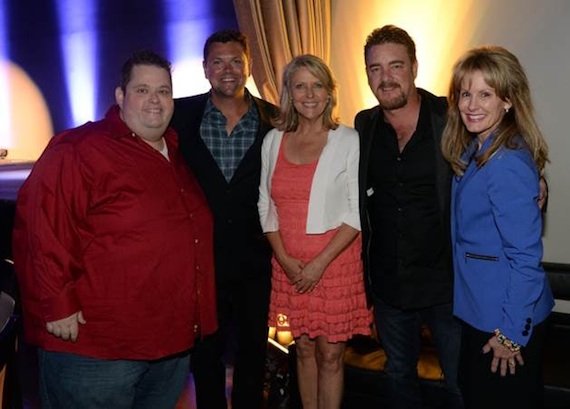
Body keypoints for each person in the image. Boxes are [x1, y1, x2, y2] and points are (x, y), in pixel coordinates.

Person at [12, 50, 217, 408]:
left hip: (169, 344)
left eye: (163, 91)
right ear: (120, 96)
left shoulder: (175, 150)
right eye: (142, 90)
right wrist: (57, 304)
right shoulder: (80, 148)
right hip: (98, 348)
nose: (154, 100)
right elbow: (41, 227)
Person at [355, 25, 463, 409]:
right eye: (375, 69)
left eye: (395, 65)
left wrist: (535, 173)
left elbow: (501, 140)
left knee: (459, 384)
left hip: (446, 285)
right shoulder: (363, 126)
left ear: (414, 67)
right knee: (398, 378)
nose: (385, 78)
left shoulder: (449, 117)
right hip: (388, 287)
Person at [441, 45, 554, 409]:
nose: (471, 104)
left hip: (502, 319)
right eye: (465, 93)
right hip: (482, 311)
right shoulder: (479, 148)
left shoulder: (504, 161)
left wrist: (510, 335)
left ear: (507, 100)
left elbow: (526, 259)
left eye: (485, 94)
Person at [169, 30, 278, 409]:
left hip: (256, 260)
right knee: (205, 352)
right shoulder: (178, 115)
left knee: (253, 349)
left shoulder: (276, 121)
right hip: (201, 261)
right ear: (204, 68)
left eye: (236, 61)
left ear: (249, 66)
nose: (227, 70)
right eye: (218, 61)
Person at [258, 54, 370, 409]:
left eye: (317, 85)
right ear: (288, 93)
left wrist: (319, 263)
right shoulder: (273, 140)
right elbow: (265, 206)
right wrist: (285, 259)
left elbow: (355, 212)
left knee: (331, 355)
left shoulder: (349, 139)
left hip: (334, 264)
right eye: (300, 85)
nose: (309, 94)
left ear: (329, 92)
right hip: (288, 264)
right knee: (302, 350)